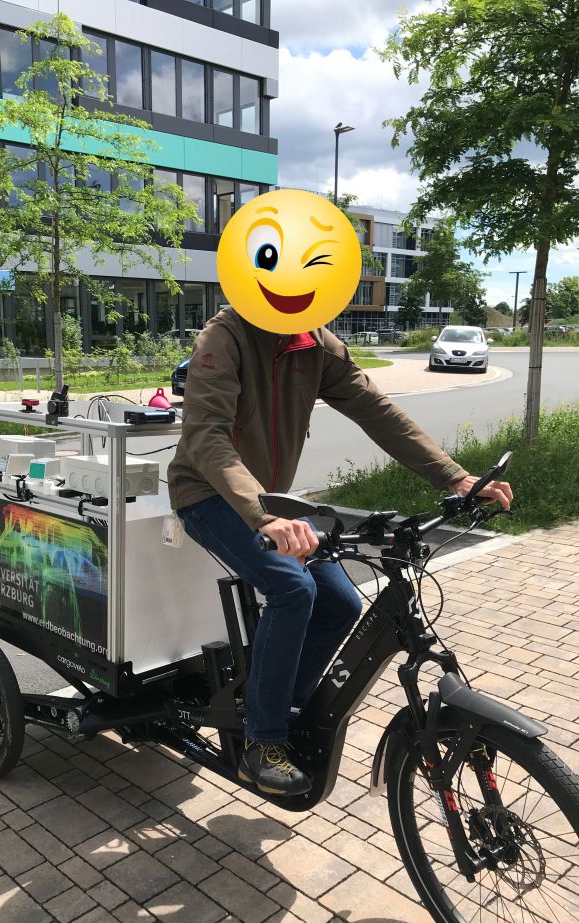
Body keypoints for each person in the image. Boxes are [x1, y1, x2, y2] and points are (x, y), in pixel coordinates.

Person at [167, 307, 513, 796]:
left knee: (343, 603)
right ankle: (260, 742)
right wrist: (264, 516)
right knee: (292, 588)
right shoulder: (224, 338)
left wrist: (455, 477)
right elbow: (207, 436)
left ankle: (280, 703)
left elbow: (377, 410)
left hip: (272, 503)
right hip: (208, 494)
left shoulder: (316, 344)